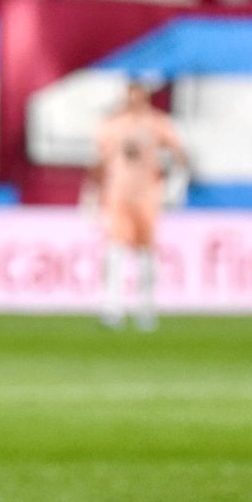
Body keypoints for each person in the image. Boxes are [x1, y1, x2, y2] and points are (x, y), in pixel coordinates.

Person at [83, 79, 189, 331]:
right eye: (131, 95)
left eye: (140, 95)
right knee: (115, 251)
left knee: (146, 254)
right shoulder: (112, 125)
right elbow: (98, 162)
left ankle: (146, 308)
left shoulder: (157, 123)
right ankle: (112, 307)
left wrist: (177, 185)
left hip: (147, 196)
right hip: (118, 195)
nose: (135, 100)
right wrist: (90, 192)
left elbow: (180, 155)